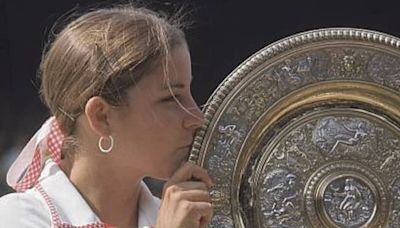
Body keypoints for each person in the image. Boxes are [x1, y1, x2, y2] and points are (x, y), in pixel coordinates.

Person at [0, 4, 213, 228]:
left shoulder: (183, 219)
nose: (197, 117)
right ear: (101, 117)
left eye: (188, 93)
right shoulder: (16, 219)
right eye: (170, 98)